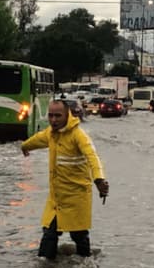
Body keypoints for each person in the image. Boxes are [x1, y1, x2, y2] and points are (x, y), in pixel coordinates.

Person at [21, 99, 108, 259]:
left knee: (79, 236)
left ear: (67, 115)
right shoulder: (51, 133)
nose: (53, 120)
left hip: (76, 198)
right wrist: (25, 146)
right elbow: (38, 139)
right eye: (51, 116)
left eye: (58, 116)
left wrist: (99, 180)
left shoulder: (79, 136)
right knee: (49, 234)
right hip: (56, 199)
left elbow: (92, 157)